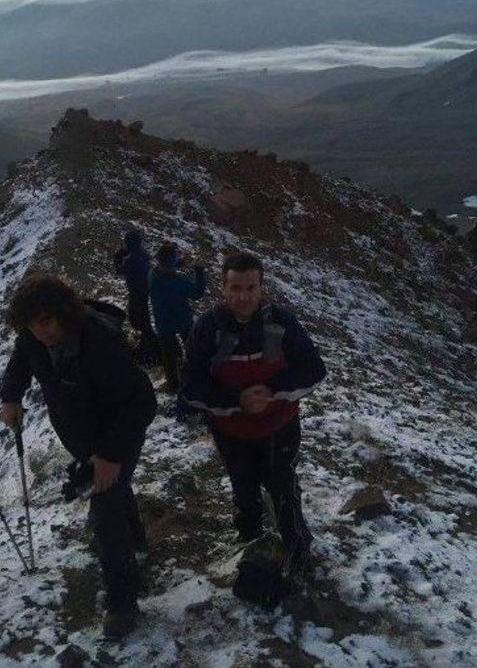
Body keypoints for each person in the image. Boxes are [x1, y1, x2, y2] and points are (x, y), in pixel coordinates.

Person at [0, 274, 157, 639]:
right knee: (115, 495)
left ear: (63, 312)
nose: (42, 332)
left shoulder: (100, 341)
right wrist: (10, 396)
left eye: (47, 321)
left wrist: (110, 456)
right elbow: (22, 359)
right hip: (82, 438)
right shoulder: (33, 338)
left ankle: (123, 602)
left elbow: (141, 402)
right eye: (33, 325)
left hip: (119, 434)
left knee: (103, 513)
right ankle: (136, 543)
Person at [180, 251, 326, 579]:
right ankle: (251, 547)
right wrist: (237, 400)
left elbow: (314, 369)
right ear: (223, 287)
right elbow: (190, 387)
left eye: (250, 287)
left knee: (284, 488)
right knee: (244, 492)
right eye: (235, 288)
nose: (243, 296)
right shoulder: (207, 329)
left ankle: (298, 549)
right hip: (232, 432)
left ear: (261, 287)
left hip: (280, 427)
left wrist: (272, 390)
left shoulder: (281, 322)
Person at [149, 242, 206, 392]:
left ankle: (173, 385)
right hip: (183, 321)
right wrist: (199, 270)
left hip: (162, 322)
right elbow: (197, 293)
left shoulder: (152, 274)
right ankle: (195, 377)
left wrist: (180, 263)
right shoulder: (178, 281)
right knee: (192, 349)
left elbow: (166, 270)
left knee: (168, 356)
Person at [113, 228, 158, 363]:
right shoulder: (143, 254)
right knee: (142, 318)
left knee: (138, 320)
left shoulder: (131, 259)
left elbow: (119, 271)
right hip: (143, 290)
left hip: (136, 292)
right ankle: (149, 345)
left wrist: (117, 258)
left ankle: (151, 349)